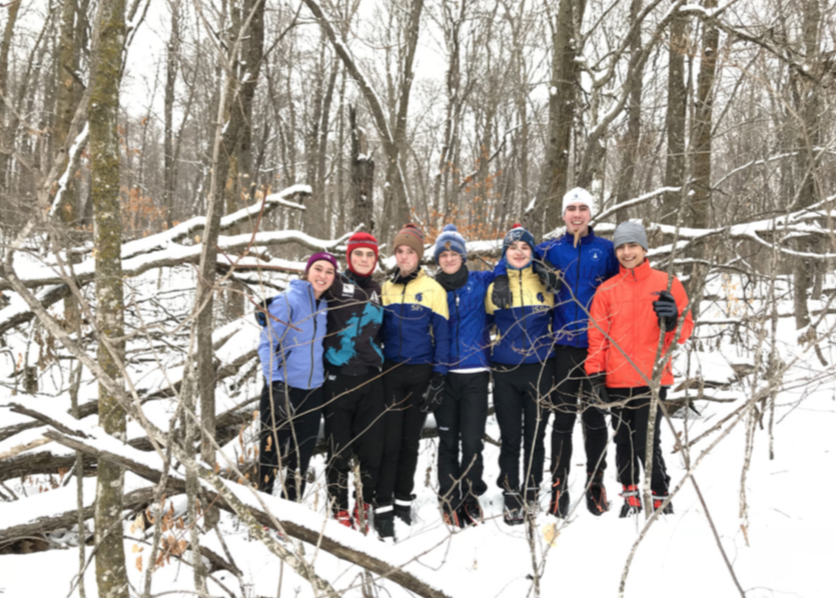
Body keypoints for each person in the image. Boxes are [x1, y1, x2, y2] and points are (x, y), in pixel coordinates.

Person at [494, 188, 619, 517]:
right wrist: (499, 278)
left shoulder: (606, 251)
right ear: (563, 215)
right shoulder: (549, 250)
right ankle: (558, 487)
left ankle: (595, 483)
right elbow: (512, 257)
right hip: (561, 348)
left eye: (583, 208)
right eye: (571, 209)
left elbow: (629, 284)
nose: (577, 214)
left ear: (591, 213)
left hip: (597, 347)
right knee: (562, 418)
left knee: (594, 417)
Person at [585, 221, 694, 517]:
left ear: (644, 248)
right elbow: (597, 337)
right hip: (616, 378)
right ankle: (631, 497)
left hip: (652, 378)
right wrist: (595, 377)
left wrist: (672, 321)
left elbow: (684, 330)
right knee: (622, 441)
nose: (626, 252)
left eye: (632, 245)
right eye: (621, 246)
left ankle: (659, 496)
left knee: (648, 441)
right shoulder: (607, 290)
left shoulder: (666, 283)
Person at [375, 223, 450, 540]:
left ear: (419, 256)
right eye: (399, 251)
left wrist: (438, 378)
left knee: (409, 442)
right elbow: (374, 331)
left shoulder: (433, 289)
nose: (404, 256)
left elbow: (443, 337)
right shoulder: (385, 288)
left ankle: (403, 501)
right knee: (389, 443)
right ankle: (382, 506)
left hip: (420, 374)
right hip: (390, 373)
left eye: (410, 251)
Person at [485, 224, 555, 526]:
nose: (518, 252)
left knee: (536, 436)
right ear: (505, 252)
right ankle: (511, 493)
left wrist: (552, 279)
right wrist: (499, 277)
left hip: (541, 367)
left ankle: (531, 488)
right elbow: (480, 324)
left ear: (532, 251)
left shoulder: (547, 282)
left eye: (525, 247)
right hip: (505, 369)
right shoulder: (493, 286)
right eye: (513, 247)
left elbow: (564, 317)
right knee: (511, 436)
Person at [256, 252, 336, 501]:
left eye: (329, 272)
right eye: (318, 269)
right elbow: (267, 345)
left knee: (301, 458)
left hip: (313, 392)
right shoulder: (287, 301)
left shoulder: (325, 305)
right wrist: (276, 385)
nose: (322, 276)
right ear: (307, 271)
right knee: (271, 455)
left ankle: (290, 511)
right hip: (282, 390)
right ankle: (263, 512)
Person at [431, 224, 494, 528]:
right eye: (443, 253)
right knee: (447, 440)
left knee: (471, 440)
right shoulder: (431, 288)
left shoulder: (481, 281)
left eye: (454, 251)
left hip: (475, 372)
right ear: (437, 259)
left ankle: (470, 492)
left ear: (463, 255)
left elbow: (513, 265)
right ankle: (449, 496)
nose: (449, 257)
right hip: (443, 374)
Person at [322, 232, 384, 532]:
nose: (363, 259)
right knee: (339, 450)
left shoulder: (377, 290)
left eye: (369, 255)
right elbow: (305, 292)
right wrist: (270, 308)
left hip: (371, 380)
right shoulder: (335, 283)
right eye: (358, 254)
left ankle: (364, 502)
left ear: (375, 259)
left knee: (371, 450)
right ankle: (339, 507)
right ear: (349, 257)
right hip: (338, 379)